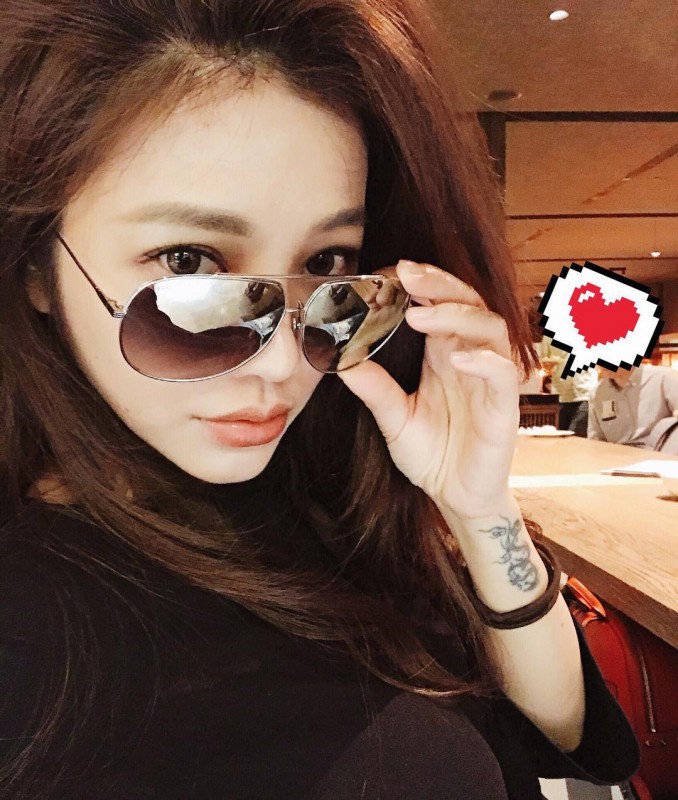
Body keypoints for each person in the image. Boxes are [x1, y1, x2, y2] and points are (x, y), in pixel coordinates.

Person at [0, 2, 639, 799]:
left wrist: (480, 512)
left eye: (328, 261)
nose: (281, 360)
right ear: (37, 265)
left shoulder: (330, 488)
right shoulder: (33, 641)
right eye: (190, 263)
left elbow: (565, 732)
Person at [588, 363, 678, 447]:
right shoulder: (597, 393)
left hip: (658, 453)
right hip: (616, 455)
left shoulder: (664, 377)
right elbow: (595, 439)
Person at [539, 336, 598, 437]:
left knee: (576, 438)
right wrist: (548, 365)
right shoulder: (549, 336)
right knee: (561, 440)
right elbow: (544, 362)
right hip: (560, 395)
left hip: (585, 393)